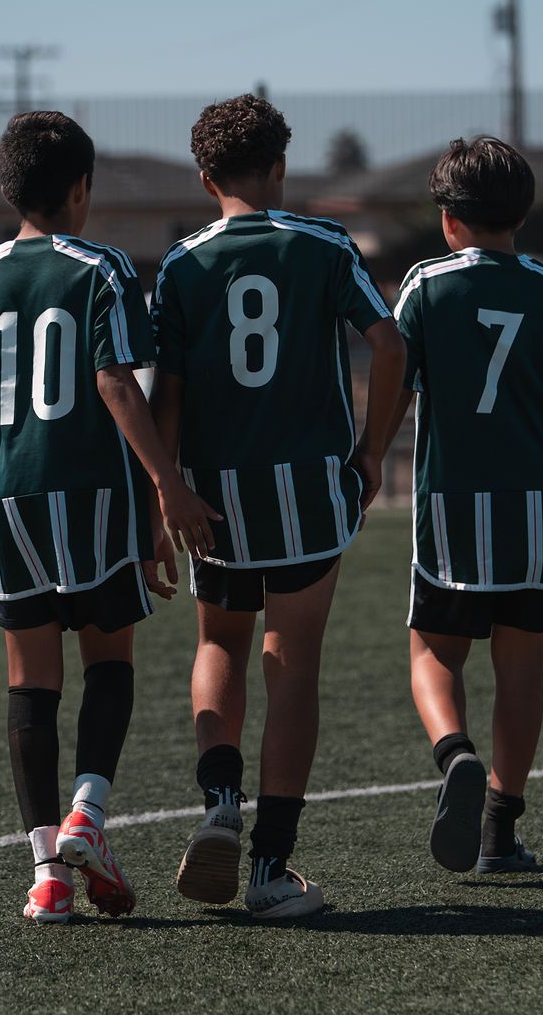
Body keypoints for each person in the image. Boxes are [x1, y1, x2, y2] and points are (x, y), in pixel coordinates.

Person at [0, 111, 217, 924]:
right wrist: (165, 486)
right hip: (92, 493)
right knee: (109, 661)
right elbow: (116, 382)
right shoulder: (103, 267)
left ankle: (48, 874)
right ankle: (87, 814)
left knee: (30, 682)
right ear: (81, 187)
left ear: (6, 189)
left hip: (9, 496)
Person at [150, 94, 406, 919]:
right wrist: (373, 448)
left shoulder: (181, 264)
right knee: (292, 666)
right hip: (306, 491)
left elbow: (168, 392)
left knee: (218, 642)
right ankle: (269, 869)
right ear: (281, 167)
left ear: (205, 177)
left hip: (214, 495)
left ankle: (220, 801)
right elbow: (390, 343)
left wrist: (166, 489)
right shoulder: (325, 244)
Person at [384, 136, 543, 874]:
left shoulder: (425, 285)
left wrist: (367, 456)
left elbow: (394, 379)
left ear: (448, 219)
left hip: (452, 504)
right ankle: (498, 830)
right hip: (539, 505)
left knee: (433, 651)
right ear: (522, 213)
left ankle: (455, 754)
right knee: (522, 669)